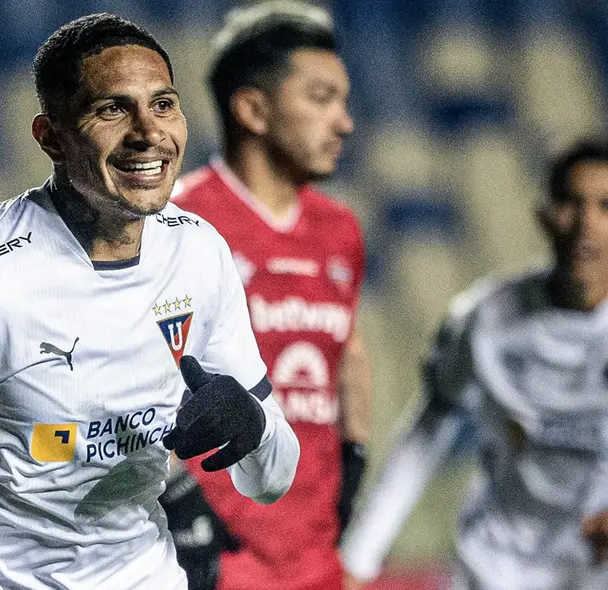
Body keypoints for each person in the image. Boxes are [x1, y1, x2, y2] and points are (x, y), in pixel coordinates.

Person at [0, 13, 301, 590]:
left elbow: (269, 480)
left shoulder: (201, 253)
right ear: (50, 136)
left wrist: (255, 427)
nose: (149, 132)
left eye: (165, 104)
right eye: (112, 109)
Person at [163, 2, 370, 589]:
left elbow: (346, 352)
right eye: (321, 98)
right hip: (210, 556)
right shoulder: (177, 222)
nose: (344, 122)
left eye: (345, 101)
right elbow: (127, 376)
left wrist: (353, 466)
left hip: (313, 557)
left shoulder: (341, 231)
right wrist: (178, 501)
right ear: (253, 109)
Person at [341, 140, 608, 590]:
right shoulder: (485, 318)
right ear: (543, 213)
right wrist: (358, 558)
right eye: (570, 202)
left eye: (605, 206)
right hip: (493, 567)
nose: (585, 224)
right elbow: (425, 436)